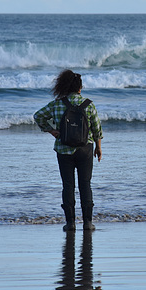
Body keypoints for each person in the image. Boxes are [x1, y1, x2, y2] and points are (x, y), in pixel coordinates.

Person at [34, 70, 103, 231]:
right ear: (80, 88)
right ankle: (87, 223)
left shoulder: (58, 104)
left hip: (63, 148)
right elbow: (96, 128)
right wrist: (98, 148)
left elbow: (38, 116)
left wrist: (52, 130)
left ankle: (70, 223)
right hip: (85, 148)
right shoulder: (88, 104)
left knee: (68, 185)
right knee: (85, 184)